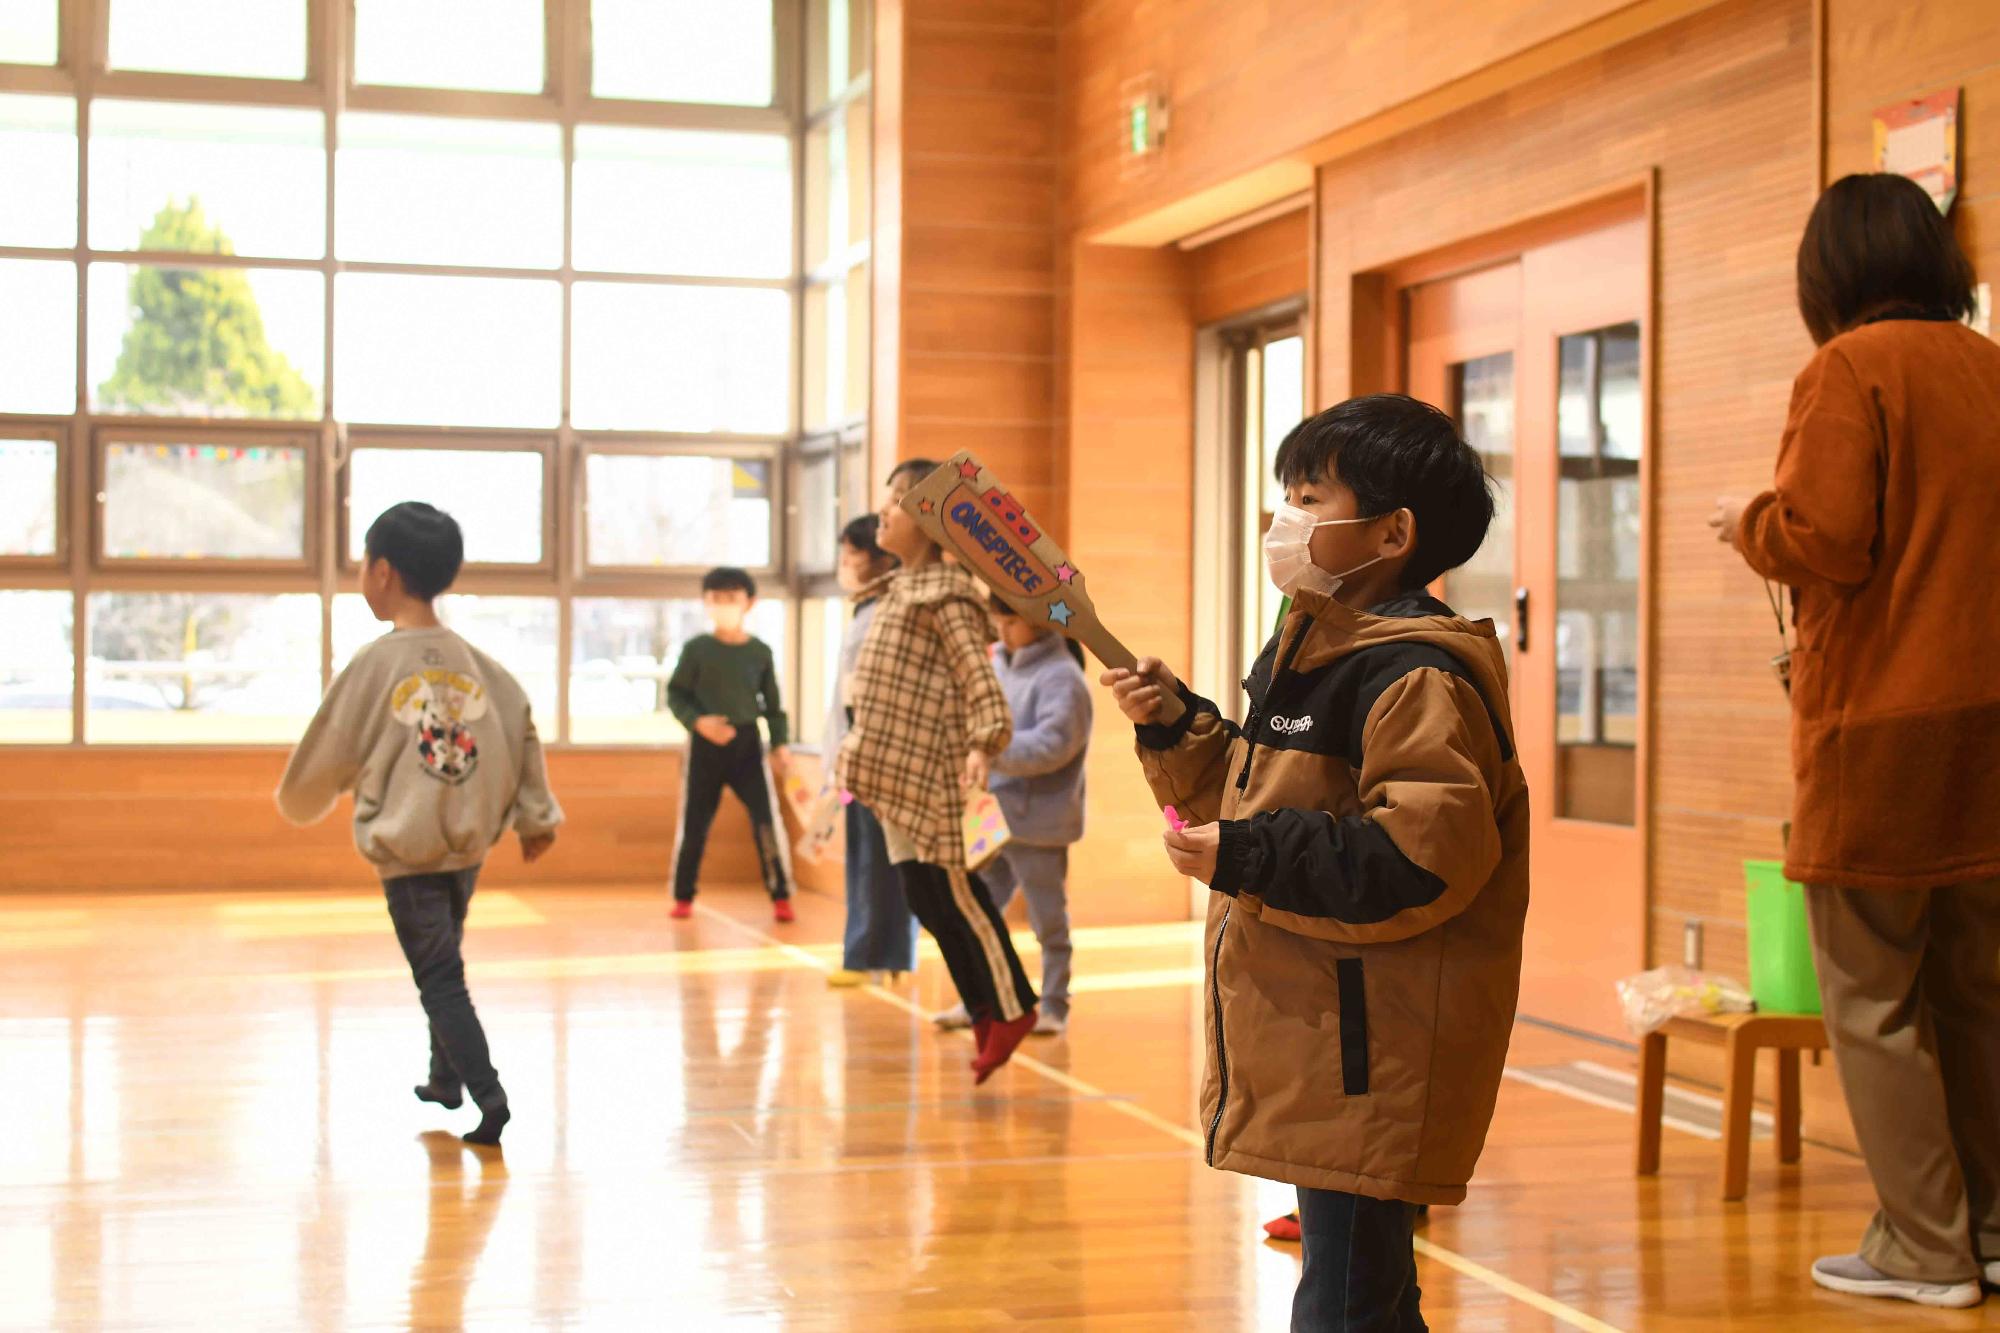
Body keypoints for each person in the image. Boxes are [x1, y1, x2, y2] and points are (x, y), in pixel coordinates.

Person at [1104, 395, 1526, 1332]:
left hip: (1371, 1045)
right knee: (1360, 1294)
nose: (1283, 520)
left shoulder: (1414, 673)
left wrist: (1247, 855)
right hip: (1325, 1032)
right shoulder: (1314, 643)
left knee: (1346, 1304)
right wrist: (1176, 725)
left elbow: (1420, 858)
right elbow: (1257, 796)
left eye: (1306, 496)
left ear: (1391, 533)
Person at [1711, 172, 2000, 1312]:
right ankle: (1983, 1226)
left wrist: (1744, 523)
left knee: (1869, 1001)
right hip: (1989, 725)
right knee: (1976, 990)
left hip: (1881, 730)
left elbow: (1824, 535)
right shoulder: (1988, 368)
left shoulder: (1848, 368)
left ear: (1824, 272)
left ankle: (1922, 1247)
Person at [276, 501, 562, 1147]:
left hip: (408, 849)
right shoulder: (483, 666)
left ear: (380, 571)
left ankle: (490, 1099)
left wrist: (302, 798)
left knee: (438, 976)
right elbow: (521, 728)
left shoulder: (375, 665)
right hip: (465, 846)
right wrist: (535, 816)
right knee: (446, 956)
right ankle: (445, 1079)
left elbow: (332, 740)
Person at [838, 459, 1039, 1083]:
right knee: (926, 896)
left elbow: (981, 681)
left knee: (953, 892)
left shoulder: (947, 595)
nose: (884, 513)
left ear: (926, 518)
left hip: (930, 772)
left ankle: (1012, 1008)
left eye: (895, 502)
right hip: (892, 772)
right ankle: (984, 1007)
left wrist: (985, 742)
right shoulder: (896, 589)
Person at [934, 595, 1091, 1037]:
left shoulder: (1063, 677)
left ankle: (1055, 1004)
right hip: (994, 816)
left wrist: (989, 750)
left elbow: (1053, 746)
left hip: (1040, 823)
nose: (1001, 632)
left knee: (1048, 921)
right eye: (997, 622)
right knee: (979, 913)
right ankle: (979, 999)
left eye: (1011, 622)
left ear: (1040, 622)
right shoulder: (1001, 665)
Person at [821, 515, 920, 987]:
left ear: (881, 558)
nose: (846, 567)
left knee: (884, 859)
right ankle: (870, 952)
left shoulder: (894, 606)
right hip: (856, 742)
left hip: (881, 744)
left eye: (852, 557)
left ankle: (881, 953)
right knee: (866, 856)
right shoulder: (864, 609)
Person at [665, 567, 795, 923]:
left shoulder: (760, 652)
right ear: (705, 603)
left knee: (766, 820)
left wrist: (780, 744)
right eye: (716, 599)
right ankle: (683, 896)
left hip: (747, 745)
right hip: (705, 746)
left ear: (749, 603)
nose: (724, 605)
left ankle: (781, 894)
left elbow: (773, 705)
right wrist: (698, 723)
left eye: (731, 598)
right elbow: (676, 695)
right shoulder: (696, 650)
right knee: (694, 823)